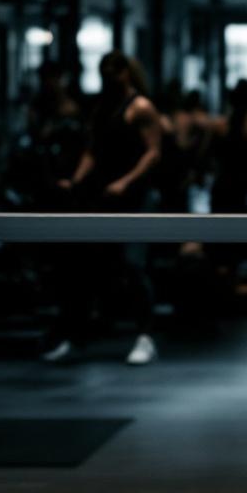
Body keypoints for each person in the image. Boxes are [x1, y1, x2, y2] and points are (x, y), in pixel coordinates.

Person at [44, 51, 163, 365]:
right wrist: (76, 180)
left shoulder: (140, 107)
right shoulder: (102, 109)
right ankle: (76, 336)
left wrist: (126, 182)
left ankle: (145, 336)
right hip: (104, 197)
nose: (108, 81)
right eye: (104, 76)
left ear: (125, 73)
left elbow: (153, 153)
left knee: (133, 264)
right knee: (88, 266)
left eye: (113, 75)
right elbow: (92, 152)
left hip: (135, 198)